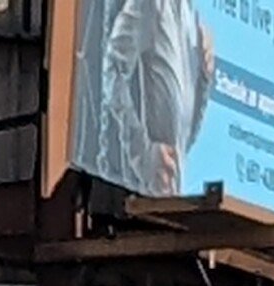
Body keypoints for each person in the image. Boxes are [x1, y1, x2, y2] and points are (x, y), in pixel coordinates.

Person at [86, 0, 218, 196]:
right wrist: (142, 153)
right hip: (140, 192)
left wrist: (206, 80)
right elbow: (113, 72)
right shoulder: (150, 4)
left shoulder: (193, 18)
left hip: (173, 193)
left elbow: (185, 130)